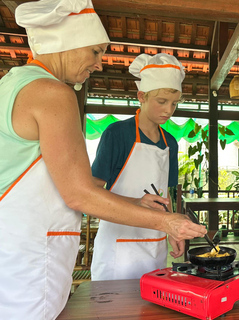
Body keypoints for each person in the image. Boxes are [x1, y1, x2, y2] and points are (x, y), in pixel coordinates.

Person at [0, 1, 205, 319]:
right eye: (95, 51)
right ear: (67, 42)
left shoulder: (13, 84)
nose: (99, 64)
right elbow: (80, 192)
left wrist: (158, 219)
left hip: (17, 249)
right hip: (30, 258)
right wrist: (167, 222)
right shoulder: (52, 93)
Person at [91, 53, 185, 281]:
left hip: (155, 243)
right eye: (161, 102)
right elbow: (92, 194)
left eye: (174, 103)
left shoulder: (170, 142)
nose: (169, 110)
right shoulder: (116, 134)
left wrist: (172, 229)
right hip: (118, 245)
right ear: (141, 96)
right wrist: (136, 202)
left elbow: (166, 194)